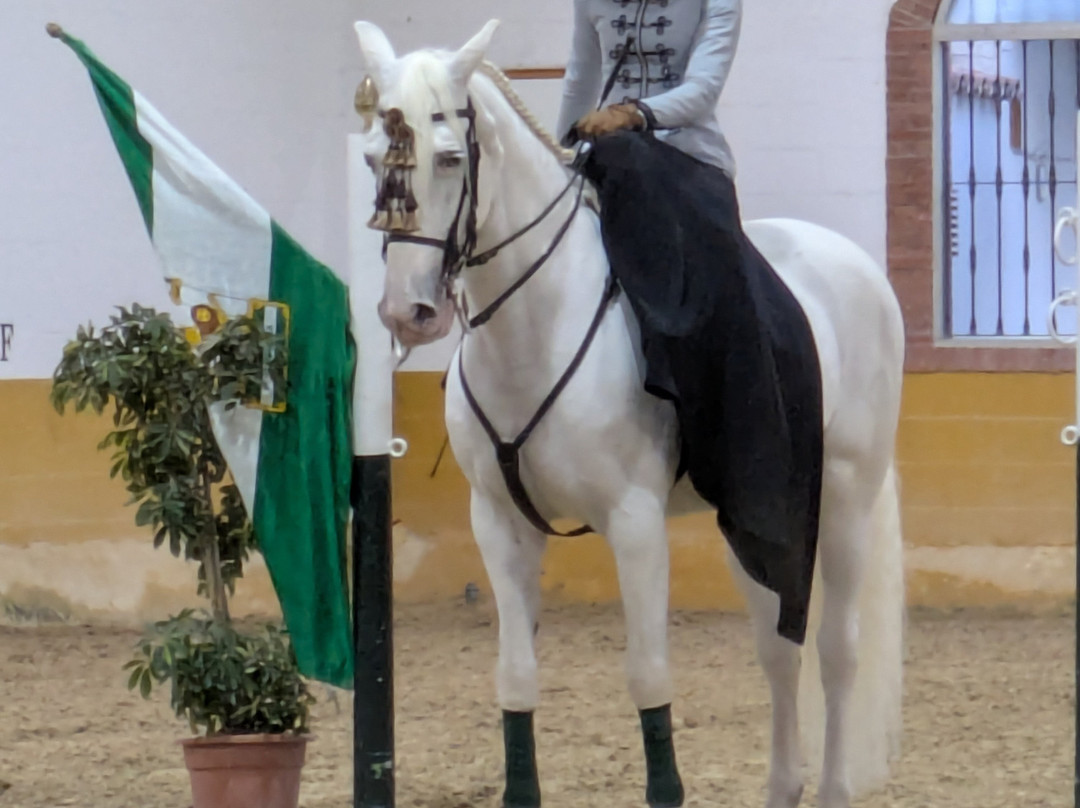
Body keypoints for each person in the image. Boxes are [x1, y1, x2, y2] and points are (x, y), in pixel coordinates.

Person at [555, 0, 827, 654]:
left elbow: (702, 90)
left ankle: (722, 418)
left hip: (688, 164)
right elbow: (579, 75)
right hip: (607, 163)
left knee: (707, 288)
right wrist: (559, 148)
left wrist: (636, 116)